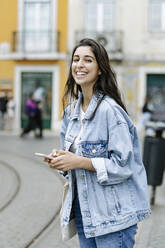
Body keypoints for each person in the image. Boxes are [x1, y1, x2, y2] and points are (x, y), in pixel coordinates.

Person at [45, 39, 151, 248]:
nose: (79, 65)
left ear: (100, 69)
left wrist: (80, 161)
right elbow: (74, 165)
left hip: (114, 218)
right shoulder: (70, 112)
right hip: (85, 213)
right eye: (76, 59)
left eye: (88, 60)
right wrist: (61, 161)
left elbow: (124, 165)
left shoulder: (110, 111)